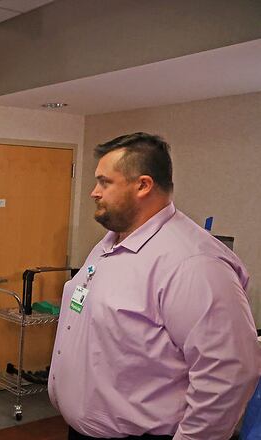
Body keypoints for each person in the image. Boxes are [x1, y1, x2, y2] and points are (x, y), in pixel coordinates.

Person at [49, 133, 261, 439]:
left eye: (104, 182)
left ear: (143, 185)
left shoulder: (193, 264)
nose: (94, 192)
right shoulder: (112, 242)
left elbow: (230, 372)